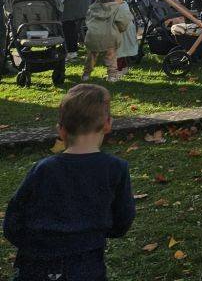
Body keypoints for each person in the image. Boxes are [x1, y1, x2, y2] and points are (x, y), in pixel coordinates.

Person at [3, 84, 135, 281]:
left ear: (61, 131)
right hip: (87, 262)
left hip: (36, 262)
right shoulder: (116, 169)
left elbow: (14, 217)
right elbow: (123, 219)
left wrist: (30, 244)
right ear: (108, 124)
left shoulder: (44, 169)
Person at [82, 0, 132, 83]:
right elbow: (123, 21)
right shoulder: (117, 7)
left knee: (91, 56)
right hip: (111, 36)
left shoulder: (92, 8)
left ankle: (86, 74)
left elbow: (88, 21)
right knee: (111, 57)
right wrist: (120, 29)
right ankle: (112, 76)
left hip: (94, 36)